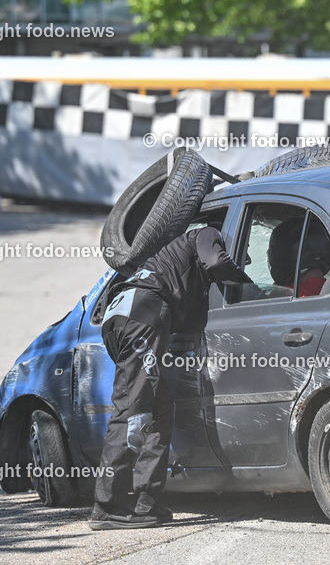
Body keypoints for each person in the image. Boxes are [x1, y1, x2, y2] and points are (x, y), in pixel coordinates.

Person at [89, 223, 250, 530]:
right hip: (143, 315)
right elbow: (217, 262)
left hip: (120, 317)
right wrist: (247, 283)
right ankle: (106, 506)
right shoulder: (205, 232)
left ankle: (145, 500)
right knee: (132, 410)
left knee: (160, 408)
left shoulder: (166, 256)